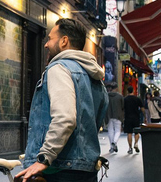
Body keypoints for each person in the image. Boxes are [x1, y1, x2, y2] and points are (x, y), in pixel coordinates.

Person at [16, 18, 108, 182]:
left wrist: (44, 158)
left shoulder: (60, 68)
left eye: (50, 39)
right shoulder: (95, 77)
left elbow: (65, 118)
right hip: (87, 169)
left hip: (61, 169)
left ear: (64, 41)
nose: (46, 44)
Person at [104, 82, 124, 153]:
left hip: (109, 115)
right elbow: (122, 106)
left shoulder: (106, 95)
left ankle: (111, 147)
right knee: (118, 130)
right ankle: (114, 142)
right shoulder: (120, 96)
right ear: (116, 88)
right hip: (118, 115)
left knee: (110, 131)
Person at [123, 86, 143, 154]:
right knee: (136, 132)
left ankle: (130, 148)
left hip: (127, 117)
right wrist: (145, 116)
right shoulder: (137, 99)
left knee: (129, 133)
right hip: (136, 117)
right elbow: (142, 108)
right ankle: (136, 144)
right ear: (133, 91)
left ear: (127, 91)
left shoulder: (125, 99)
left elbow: (122, 108)